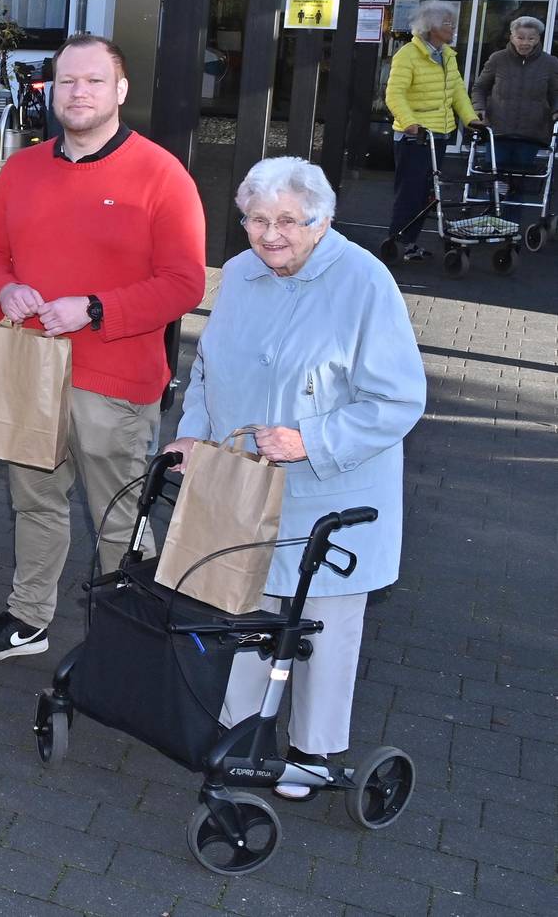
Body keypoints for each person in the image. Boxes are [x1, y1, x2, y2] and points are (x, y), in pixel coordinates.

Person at [168, 157, 422, 800]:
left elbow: (398, 401)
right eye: (256, 219)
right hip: (245, 485)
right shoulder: (244, 273)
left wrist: (312, 440)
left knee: (325, 628)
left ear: (322, 221)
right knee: (247, 612)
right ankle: (240, 734)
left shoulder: (365, 282)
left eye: (287, 220)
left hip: (331, 491)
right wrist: (194, 432)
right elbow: (206, 368)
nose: (270, 233)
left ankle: (313, 751)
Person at [0, 33, 206, 666]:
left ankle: (132, 637)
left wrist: (95, 308)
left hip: (114, 377)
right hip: (30, 371)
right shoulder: (23, 168)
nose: (78, 93)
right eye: (67, 81)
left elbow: (185, 284)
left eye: (94, 81)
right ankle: (28, 618)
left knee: (119, 516)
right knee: (34, 503)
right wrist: (4, 289)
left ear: (120, 91)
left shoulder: (161, 174)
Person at [383, 0, 478, 261]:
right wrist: (410, 121)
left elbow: (458, 91)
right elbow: (394, 94)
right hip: (415, 136)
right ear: (431, 26)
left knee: (428, 193)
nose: (453, 28)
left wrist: (470, 119)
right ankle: (397, 240)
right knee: (410, 191)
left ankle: (410, 243)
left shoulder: (447, 55)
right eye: (448, 23)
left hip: (440, 134)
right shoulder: (408, 55)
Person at [471, 15, 558, 182]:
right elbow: (480, 88)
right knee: (495, 179)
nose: (525, 42)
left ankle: (512, 208)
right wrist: (479, 108)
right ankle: (495, 208)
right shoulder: (498, 59)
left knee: (519, 181)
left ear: (538, 38)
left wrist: (556, 112)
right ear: (511, 37)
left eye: (531, 38)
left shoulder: (550, 63)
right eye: (520, 37)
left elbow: (556, 93)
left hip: (531, 134)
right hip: (498, 131)